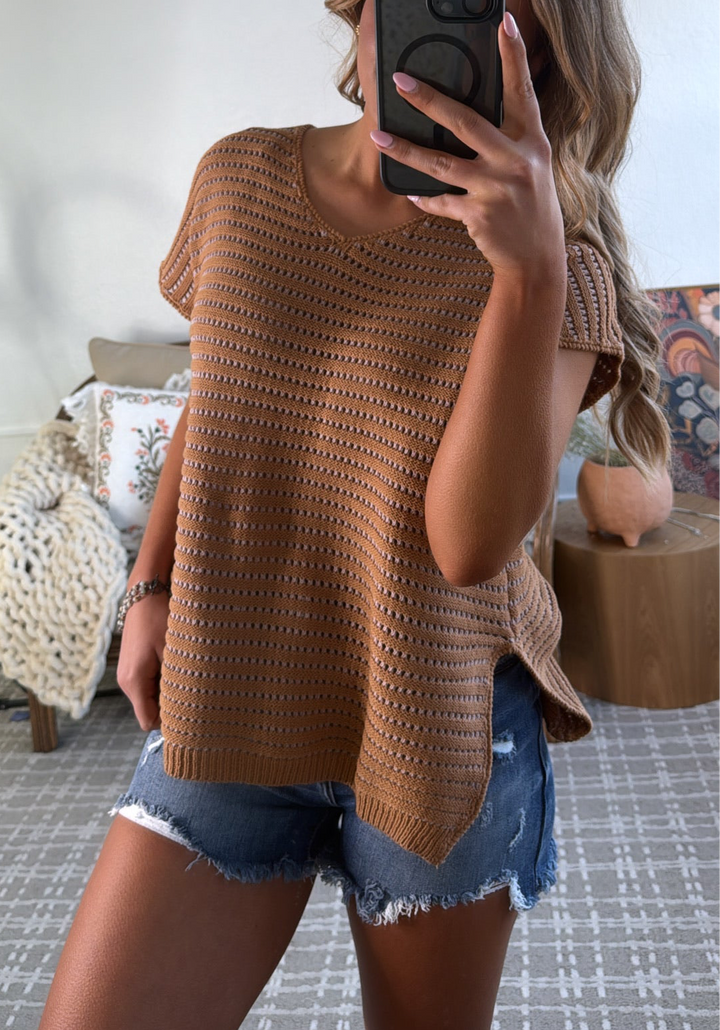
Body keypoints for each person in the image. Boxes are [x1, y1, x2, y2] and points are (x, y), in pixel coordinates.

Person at [39, 1, 671, 1028]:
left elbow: (469, 545)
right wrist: (150, 585)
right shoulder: (239, 179)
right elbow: (220, 394)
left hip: (438, 713)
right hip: (234, 678)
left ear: (539, 52)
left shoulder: (559, 267)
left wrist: (530, 273)